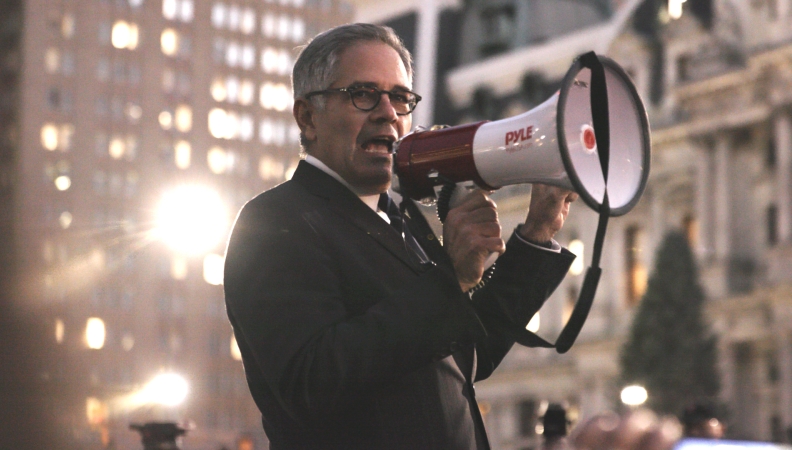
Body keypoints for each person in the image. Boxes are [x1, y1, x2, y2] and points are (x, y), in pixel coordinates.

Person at [223, 23, 579, 449]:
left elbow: (465, 354)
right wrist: (451, 280)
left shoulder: (401, 217)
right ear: (308, 117)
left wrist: (537, 233)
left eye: (400, 97)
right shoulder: (274, 221)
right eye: (363, 94)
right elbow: (310, 382)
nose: (389, 112)